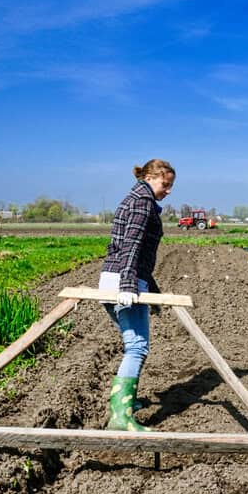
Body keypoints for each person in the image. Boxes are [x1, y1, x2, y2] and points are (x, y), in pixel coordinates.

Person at [99, 159, 175, 432]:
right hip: (123, 283)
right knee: (137, 347)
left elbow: (136, 252)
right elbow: (130, 246)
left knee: (134, 345)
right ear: (151, 178)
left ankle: (126, 405)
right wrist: (129, 286)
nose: (168, 191)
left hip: (117, 280)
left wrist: (152, 290)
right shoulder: (142, 203)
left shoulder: (136, 198)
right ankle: (121, 417)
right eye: (165, 184)